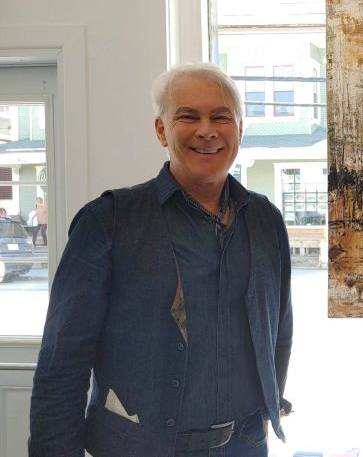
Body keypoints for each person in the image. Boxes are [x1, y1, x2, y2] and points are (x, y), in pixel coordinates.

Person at [29, 63, 293, 456]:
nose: (207, 130)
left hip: (245, 446)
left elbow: (279, 334)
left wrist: (264, 412)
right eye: (189, 116)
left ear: (239, 129)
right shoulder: (109, 221)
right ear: (161, 130)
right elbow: (62, 365)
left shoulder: (266, 221)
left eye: (221, 117)